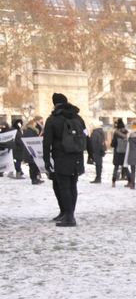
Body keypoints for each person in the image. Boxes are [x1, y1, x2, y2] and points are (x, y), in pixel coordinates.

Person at [42, 92, 86, 227]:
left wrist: (46, 159)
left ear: (54, 104)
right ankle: (69, 214)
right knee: (73, 185)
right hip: (77, 156)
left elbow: (47, 142)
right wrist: (90, 153)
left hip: (61, 156)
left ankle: (69, 217)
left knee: (64, 187)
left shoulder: (52, 119)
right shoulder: (78, 118)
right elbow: (86, 135)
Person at [21, 117, 44, 184]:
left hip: (33, 150)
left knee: (35, 165)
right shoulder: (29, 131)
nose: (36, 125)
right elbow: (31, 140)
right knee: (32, 166)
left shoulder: (32, 131)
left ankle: (36, 178)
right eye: (35, 124)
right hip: (30, 151)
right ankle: (34, 179)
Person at [111, 118, 129, 187]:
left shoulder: (116, 133)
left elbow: (113, 144)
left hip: (117, 152)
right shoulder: (126, 133)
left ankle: (113, 182)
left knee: (116, 167)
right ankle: (130, 181)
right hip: (125, 152)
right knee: (126, 167)